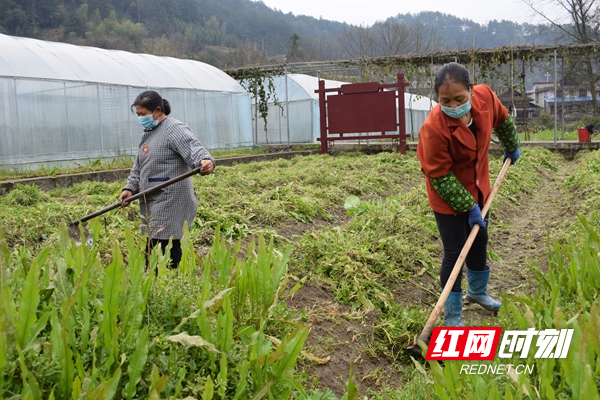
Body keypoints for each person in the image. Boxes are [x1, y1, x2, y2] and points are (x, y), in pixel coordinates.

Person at [417, 62, 521, 327]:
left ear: (472, 92)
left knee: (480, 238)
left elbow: (503, 119)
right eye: (446, 101)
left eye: (460, 99)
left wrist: (512, 146)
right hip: (447, 195)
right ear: (438, 98)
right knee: (454, 252)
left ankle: (477, 292)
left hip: (479, 187)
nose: (453, 106)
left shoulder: (485, 98)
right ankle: (452, 317)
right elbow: (439, 175)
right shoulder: (433, 128)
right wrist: (468, 207)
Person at [119, 90, 215, 269]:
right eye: (138, 115)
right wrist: (130, 188)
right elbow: (138, 166)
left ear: (157, 111)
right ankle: (155, 283)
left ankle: (168, 283)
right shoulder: (148, 132)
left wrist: (205, 161)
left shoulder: (174, 128)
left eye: (143, 114)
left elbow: (193, 147)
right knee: (152, 245)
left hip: (172, 198)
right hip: (152, 198)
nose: (140, 118)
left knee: (166, 244)